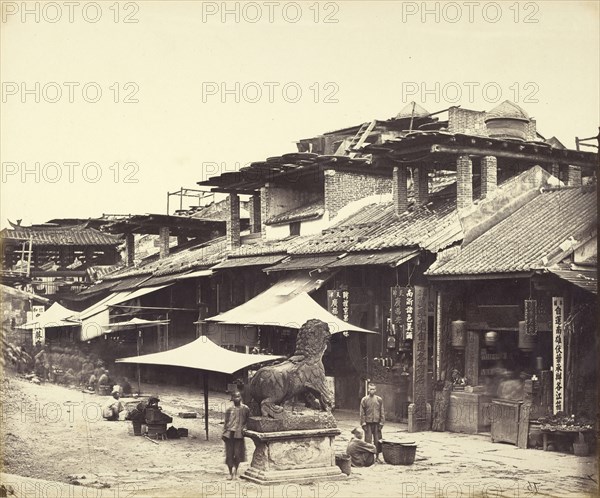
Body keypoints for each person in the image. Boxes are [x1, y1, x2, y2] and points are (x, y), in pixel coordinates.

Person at [222, 392, 250, 480]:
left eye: (238, 396)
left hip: (239, 434)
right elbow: (226, 423)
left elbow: (248, 421)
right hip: (229, 434)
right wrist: (224, 433)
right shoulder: (229, 410)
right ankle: (230, 473)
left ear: (241, 398)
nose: (237, 398)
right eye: (234, 397)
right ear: (232, 398)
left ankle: (236, 472)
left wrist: (245, 428)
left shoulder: (245, 409)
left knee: (238, 454)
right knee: (229, 454)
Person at [360, 383, 385, 463]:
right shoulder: (364, 399)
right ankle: (369, 458)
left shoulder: (379, 399)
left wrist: (381, 422)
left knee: (378, 440)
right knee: (368, 440)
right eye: (370, 389)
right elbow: (362, 412)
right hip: (368, 423)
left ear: (376, 390)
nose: (372, 390)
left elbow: (382, 411)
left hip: (377, 423)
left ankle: (377, 456)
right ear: (368, 389)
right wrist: (363, 423)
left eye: (373, 389)